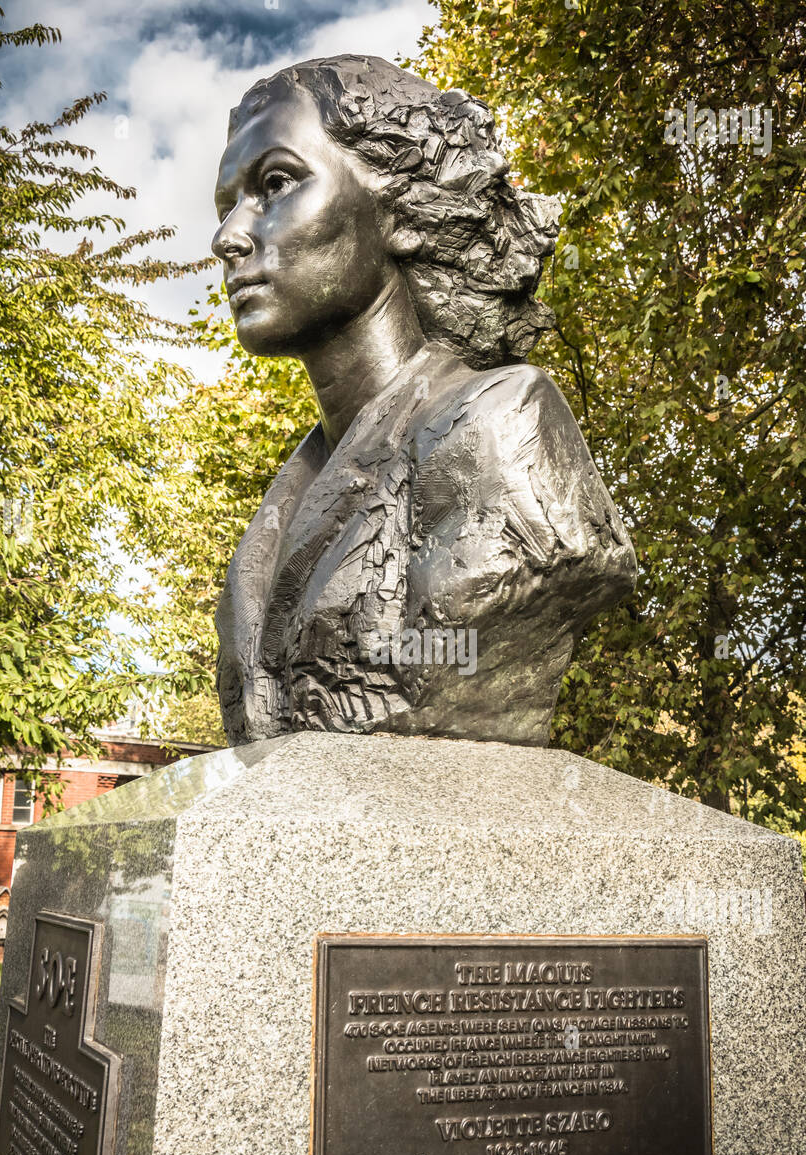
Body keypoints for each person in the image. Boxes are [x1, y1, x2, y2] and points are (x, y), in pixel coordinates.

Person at [212, 54, 635, 746]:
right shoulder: (283, 502)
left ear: (399, 213)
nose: (228, 236)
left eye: (276, 183)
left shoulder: (502, 426)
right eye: (227, 206)